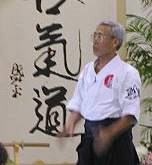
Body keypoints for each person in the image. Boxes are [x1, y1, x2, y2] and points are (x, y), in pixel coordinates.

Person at [57, 21, 141, 165]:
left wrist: (109, 133)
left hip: (116, 141)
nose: (95, 40)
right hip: (91, 137)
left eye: (100, 36)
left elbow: (130, 115)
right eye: (94, 35)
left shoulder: (127, 73)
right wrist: (70, 124)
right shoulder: (88, 70)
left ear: (115, 42)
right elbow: (79, 102)